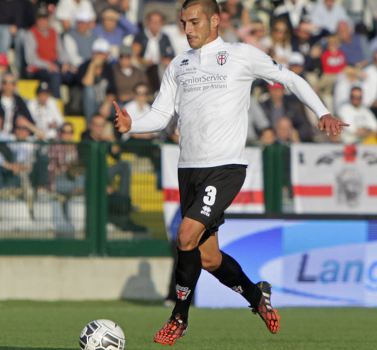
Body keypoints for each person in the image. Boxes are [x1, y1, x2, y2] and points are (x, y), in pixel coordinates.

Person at [112, 0, 346, 345]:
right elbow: (161, 116)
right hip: (188, 169)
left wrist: (323, 111)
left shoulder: (240, 54)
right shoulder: (178, 64)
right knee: (208, 257)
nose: (188, 29)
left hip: (225, 168)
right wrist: (133, 125)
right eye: (183, 23)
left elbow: (289, 78)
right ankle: (257, 296)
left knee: (185, 235)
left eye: (194, 22)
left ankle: (179, 317)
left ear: (215, 20)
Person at [24, 5, 75, 99]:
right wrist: (47, 65)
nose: (43, 21)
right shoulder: (31, 34)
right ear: (36, 19)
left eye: (45, 18)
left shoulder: (54, 32)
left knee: (73, 75)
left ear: (49, 19)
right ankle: (57, 103)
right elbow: (30, 59)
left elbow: (61, 52)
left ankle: (75, 106)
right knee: (55, 76)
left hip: (55, 64)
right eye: (40, 18)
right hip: (38, 68)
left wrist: (65, 63)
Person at [76, 38, 118, 121]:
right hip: (86, 103)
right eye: (96, 53)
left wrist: (107, 104)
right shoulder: (84, 66)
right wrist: (92, 66)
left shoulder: (109, 68)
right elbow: (87, 84)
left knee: (122, 108)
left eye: (102, 53)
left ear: (107, 55)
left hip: (103, 103)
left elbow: (113, 91)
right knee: (90, 90)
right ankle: (90, 127)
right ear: (92, 53)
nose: (98, 56)